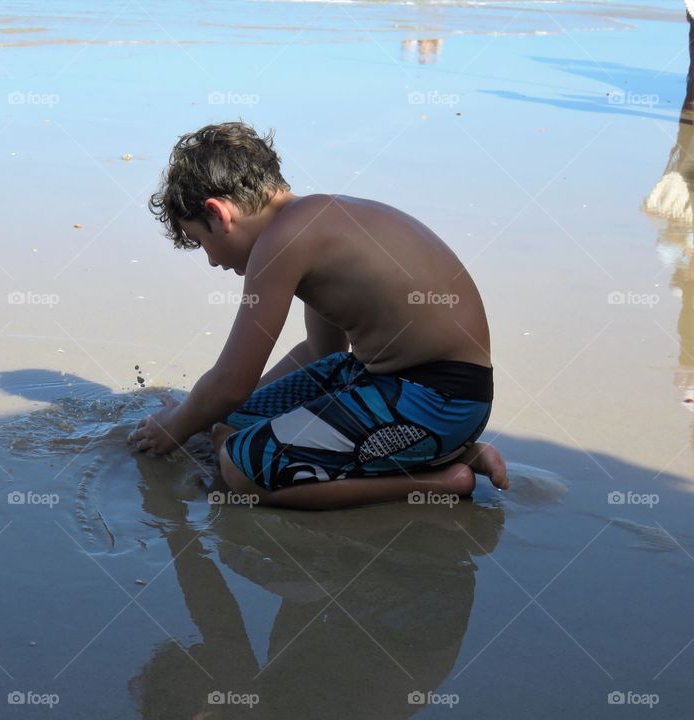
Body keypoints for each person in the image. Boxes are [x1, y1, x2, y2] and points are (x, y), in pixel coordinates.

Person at [128, 121, 508, 510]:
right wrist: (203, 414)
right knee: (229, 421)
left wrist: (176, 426)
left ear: (218, 213)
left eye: (201, 241)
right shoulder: (311, 220)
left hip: (436, 402)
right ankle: (453, 453)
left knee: (240, 468)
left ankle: (440, 481)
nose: (211, 261)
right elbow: (321, 351)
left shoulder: (281, 242)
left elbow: (232, 382)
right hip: (419, 391)